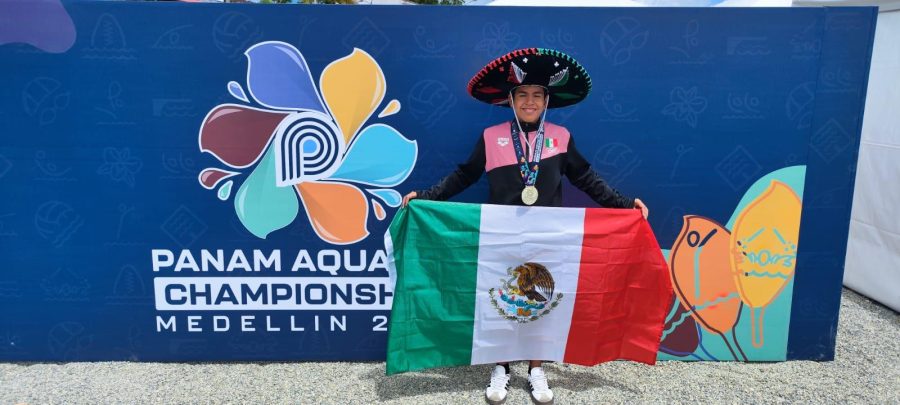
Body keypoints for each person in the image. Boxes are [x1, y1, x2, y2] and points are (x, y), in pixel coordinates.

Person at [402, 48, 648, 405]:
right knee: (502, 300)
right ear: (511, 100)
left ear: (546, 100)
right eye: (522, 95)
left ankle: (536, 368)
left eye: (537, 95)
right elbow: (464, 175)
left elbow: (587, 179)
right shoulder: (491, 137)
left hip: (549, 237)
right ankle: (501, 366)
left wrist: (626, 204)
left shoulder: (561, 137)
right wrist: (425, 196)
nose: (529, 102)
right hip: (500, 237)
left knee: (542, 302)